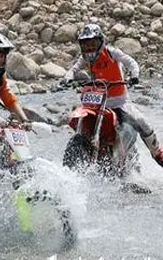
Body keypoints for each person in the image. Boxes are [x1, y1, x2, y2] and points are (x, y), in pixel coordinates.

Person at [61, 24, 163, 167]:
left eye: (92, 44)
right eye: (85, 45)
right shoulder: (85, 59)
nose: (89, 48)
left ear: (100, 42)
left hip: (119, 102)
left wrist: (134, 75)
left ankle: (157, 153)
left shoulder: (111, 52)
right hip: (97, 100)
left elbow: (130, 62)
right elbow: (73, 69)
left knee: (142, 122)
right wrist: (67, 78)